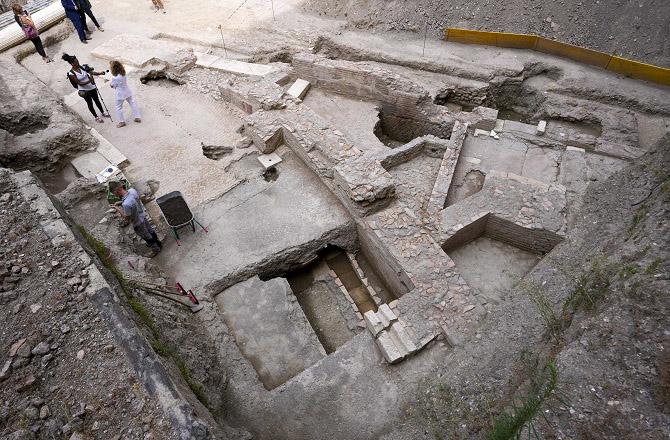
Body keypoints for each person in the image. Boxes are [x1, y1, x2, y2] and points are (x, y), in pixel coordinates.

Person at [109, 181, 163, 256]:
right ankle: (158, 242)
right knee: (150, 230)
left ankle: (156, 249)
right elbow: (131, 200)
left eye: (113, 193)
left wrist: (117, 208)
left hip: (137, 222)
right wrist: (120, 202)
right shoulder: (132, 191)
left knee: (146, 236)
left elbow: (126, 218)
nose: (114, 195)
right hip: (142, 216)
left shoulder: (126, 205)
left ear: (116, 191)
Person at [62, 53, 109, 123]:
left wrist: (100, 73)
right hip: (84, 91)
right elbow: (79, 83)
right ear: (72, 64)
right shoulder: (71, 73)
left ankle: (103, 112)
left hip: (91, 87)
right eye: (76, 62)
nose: (78, 63)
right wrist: (90, 80)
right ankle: (96, 117)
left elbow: (91, 72)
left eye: (78, 61)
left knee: (97, 100)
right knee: (90, 103)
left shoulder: (81, 67)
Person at [109, 60, 141, 128]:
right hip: (127, 91)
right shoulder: (123, 73)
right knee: (132, 103)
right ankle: (137, 117)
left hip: (120, 94)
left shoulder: (115, 78)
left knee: (118, 107)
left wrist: (111, 84)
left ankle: (122, 122)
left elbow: (113, 86)